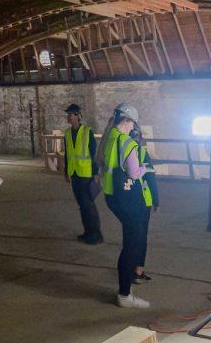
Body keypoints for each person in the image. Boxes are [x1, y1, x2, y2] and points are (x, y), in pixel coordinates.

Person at [95, 103, 151, 309]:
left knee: (130, 243)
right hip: (128, 199)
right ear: (127, 121)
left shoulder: (109, 138)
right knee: (132, 245)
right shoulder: (126, 143)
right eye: (132, 123)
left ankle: (125, 292)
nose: (133, 128)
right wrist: (146, 167)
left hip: (112, 196)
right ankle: (125, 295)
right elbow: (134, 173)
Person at [63, 104, 103, 244]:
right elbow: (68, 154)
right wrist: (66, 171)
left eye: (70, 114)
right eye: (68, 114)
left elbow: (94, 153)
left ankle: (96, 235)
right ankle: (88, 232)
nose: (68, 117)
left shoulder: (87, 132)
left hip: (86, 174)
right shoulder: (67, 134)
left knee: (88, 205)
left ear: (78, 116)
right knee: (82, 205)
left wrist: (95, 172)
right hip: (74, 174)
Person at [132, 124, 159, 283]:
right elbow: (151, 178)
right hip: (142, 200)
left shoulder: (122, 151)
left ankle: (130, 266)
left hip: (127, 199)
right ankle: (138, 271)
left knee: (131, 235)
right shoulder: (142, 153)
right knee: (141, 236)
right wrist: (156, 199)